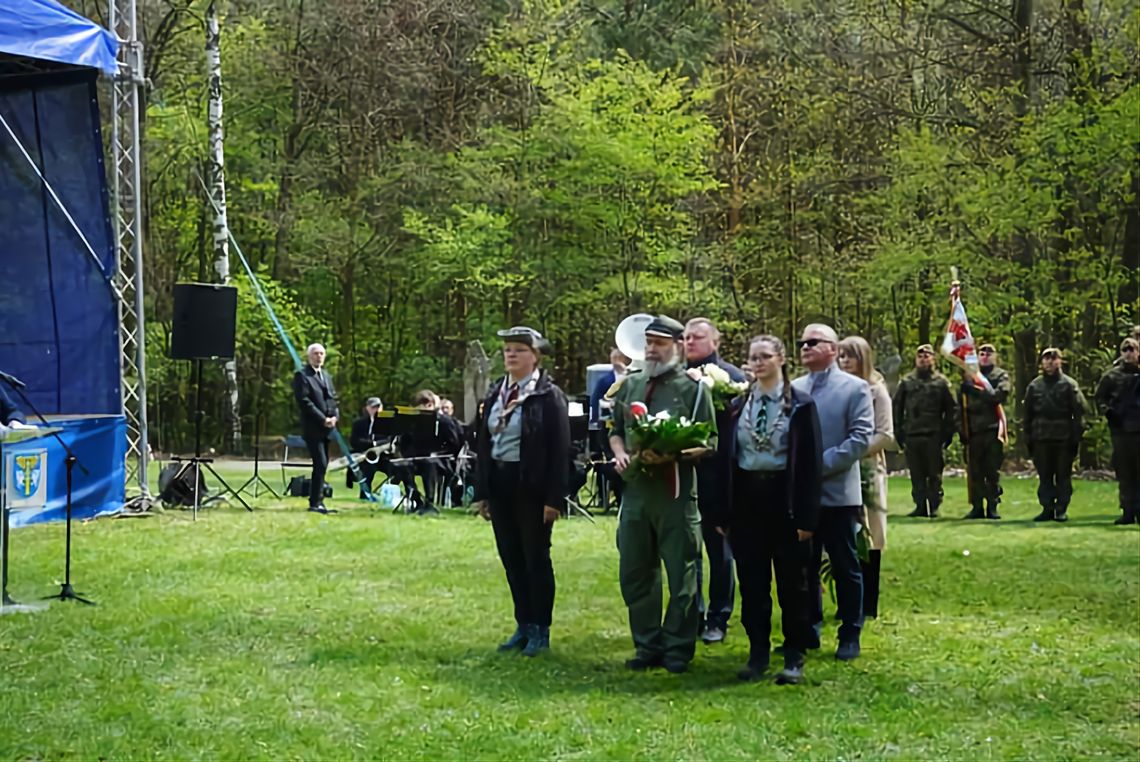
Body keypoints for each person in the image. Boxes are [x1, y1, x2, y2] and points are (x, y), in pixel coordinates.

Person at [710, 335, 821, 685]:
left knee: (793, 584)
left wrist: (806, 517)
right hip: (747, 501)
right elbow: (724, 461)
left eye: (765, 357)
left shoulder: (801, 406)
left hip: (783, 499)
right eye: (752, 358)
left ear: (781, 359)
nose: (758, 363)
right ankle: (757, 652)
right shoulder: (737, 406)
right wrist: (722, 513)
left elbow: (810, 466)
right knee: (753, 583)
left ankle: (793, 654)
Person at [610, 315, 717, 674]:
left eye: (660, 343)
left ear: (676, 347)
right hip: (637, 494)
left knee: (682, 573)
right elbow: (615, 429)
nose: (652, 349)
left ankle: (678, 647)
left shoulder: (694, 388)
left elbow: (708, 442)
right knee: (636, 571)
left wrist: (672, 454)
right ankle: (647, 645)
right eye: (649, 343)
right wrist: (620, 452)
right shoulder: (630, 385)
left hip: (675, 494)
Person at [472, 326, 570, 656]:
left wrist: (554, 498)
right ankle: (523, 624)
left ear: (535, 356)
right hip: (500, 484)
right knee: (511, 558)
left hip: (533, 488)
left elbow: (561, 450)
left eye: (518, 349)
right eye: (507, 349)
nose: (510, 354)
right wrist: (482, 491)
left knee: (535, 558)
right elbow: (484, 443)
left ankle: (541, 629)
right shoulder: (496, 392)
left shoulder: (548, 395)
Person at [791, 323, 873, 661]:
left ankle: (850, 633)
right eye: (801, 343)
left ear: (833, 349)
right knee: (802, 566)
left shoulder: (855, 389)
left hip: (838, 494)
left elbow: (860, 439)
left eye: (813, 342)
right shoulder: (793, 388)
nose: (805, 347)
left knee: (844, 565)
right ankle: (807, 628)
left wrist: (816, 466)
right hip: (802, 496)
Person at [683, 317, 745, 645]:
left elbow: (733, 435)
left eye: (697, 337)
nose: (689, 342)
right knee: (687, 552)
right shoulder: (674, 376)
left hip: (718, 477)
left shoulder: (731, 378)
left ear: (715, 342)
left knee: (719, 551)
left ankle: (718, 617)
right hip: (682, 478)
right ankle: (693, 612)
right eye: (686, 337)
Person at [837, 335, 894, 619]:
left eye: (850, 356)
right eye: (841, 356)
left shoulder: (876, 390)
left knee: (870, 533)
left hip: (868, 467)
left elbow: (885, 434)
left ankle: (867, 604)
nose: (844, 361)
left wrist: (854, 451)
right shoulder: (837, 390)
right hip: (839, 467)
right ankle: (846, 601)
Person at [892, 344, 958, 518]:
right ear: (916, 360)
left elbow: (952, 409)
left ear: (933, 359)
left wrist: (948, 433)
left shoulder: (941, 382)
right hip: (912, 434)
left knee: (934, 473)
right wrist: (899, 432)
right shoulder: (906, 382)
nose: (923, 359)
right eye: (920, 356)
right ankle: (920, 505)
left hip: (933, 435)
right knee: (916, 473)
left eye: (927, 356)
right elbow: (897, 408)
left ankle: (934, 505)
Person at [1023, 348, 1088, 522]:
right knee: (1045, 476)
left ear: (1060, 361)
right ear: (1041, 363)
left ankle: (1061, 509)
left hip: (1063, 438)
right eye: (1046, 359)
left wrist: (1076, 436)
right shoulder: (1034, 386)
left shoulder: (1069, 384)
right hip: (1041, 437)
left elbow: (1080, 411)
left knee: (1062, 475)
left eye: (1053, 359)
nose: (1050, 362)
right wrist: (1028, 437)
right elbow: (1027, 414)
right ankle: (1047, 508)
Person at [960, 344, 1012, 520]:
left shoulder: (1001, 376)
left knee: (991, 471)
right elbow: (960, 407)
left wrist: (974, 390)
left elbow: (998, 396)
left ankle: (992, 506)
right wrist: (962, 430)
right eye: (982, 353)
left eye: (989, 353)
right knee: (975, 471)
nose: (985, 356)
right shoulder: (970, 375)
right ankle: (976, 506)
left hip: (992, 429)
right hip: (973, 430)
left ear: (995, 357)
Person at [1095, 338, 1140, 525]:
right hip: (1121, 431)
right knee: (1125, 472)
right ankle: (1128, 510)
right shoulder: (1111, 377)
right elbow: (1099, 398)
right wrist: (1109, 412)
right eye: (1125, 350)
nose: (1128, 353)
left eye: (1132, 349)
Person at [397, 390, 462, 514]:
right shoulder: (412, 423)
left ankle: (430, 501)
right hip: (417, 458)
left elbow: (455, 444)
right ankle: (415, 498)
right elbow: (404, 442)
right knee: (401, 465)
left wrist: (438, 453)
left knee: (429, 463)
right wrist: (408, 455)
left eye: (426, 407)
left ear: (432, 405)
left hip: (442, 460)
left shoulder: (443, 421)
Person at [292, 343, 339, 514]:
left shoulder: (326, 376)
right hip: (313, 428)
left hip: (327, 429)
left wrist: (335, 417)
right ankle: (315, 502)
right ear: (309, 356)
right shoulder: (302, 376)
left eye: (321, 354)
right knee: (320, 463)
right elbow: (304, 402)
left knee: (323, 464)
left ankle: (319, 500)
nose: (319, 356)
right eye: (315, 354)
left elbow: (333, 399)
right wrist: (322, 419)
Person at [348, 396, 388, 498]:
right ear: (368, 408)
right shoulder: (359, 424)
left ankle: (389, 493)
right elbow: (354, 441)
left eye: (379, 407)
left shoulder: (388, 424)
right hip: (364, 456)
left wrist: (376, 445)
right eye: (374, 407)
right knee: (367, 468)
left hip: (383, 455)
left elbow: (388, 440)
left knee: (398, 468)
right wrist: (372, 444)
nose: (377, 410)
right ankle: (365, 493)